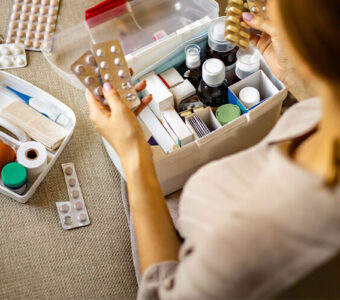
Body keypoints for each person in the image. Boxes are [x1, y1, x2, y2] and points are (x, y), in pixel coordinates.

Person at [86, 0, 340, 298]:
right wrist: (293, 76)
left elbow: (161, 292)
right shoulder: (324, 109)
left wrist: (134, 158)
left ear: (310, 45)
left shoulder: (250, 242)